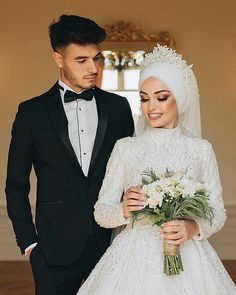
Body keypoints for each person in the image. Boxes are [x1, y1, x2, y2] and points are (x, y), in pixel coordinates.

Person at [77, 45, 236, 294]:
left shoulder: (200, 150)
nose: (151, 107)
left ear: (180, 98)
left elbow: (217, 210)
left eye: (161, 97)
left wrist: (193, 227)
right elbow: (101, 212)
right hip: (131, 260)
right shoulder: (126, 148)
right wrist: (124, 210)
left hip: (189, 257)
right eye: (143, 98)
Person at [5, 14, 134, 295]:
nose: (93, 68)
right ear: (58, 59)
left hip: (110, 246)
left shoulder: (119, 108)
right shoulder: (31, 113)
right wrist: (29, 244)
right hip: (52, 253)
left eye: (96, 58)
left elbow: (131, 173)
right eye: (81, 60)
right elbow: (15, 185)